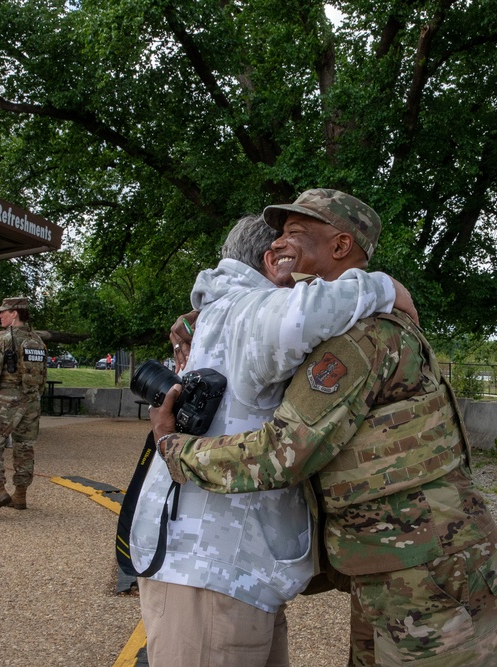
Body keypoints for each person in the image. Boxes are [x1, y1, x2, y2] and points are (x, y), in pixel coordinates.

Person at [153, 189, 497, 666]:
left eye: (294, 235)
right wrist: (199, 322)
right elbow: (269, 316)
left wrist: (174, 448)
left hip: (432, 572)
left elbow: (284, 452)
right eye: (275, 239)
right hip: (399, 567)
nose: (277, 249)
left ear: (341, 246)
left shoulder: (362, 337)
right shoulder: (344, 319)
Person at [131, 209, 414, 666]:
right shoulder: (251, 311)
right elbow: (308, 313)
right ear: (271, 262)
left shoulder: (222, 312)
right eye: (286, 245)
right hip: (211, 572)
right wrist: (388, 287)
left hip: (234, 571)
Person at [0, 296, 48, 518]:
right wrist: (34, 398)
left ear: (14, 313)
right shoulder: (38, 341)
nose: (0, 315)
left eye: (3, 311)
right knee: (24, 446)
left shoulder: (3, 338)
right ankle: (20, 495)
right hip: (32, 401)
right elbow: (43, 376)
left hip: (7, 399)